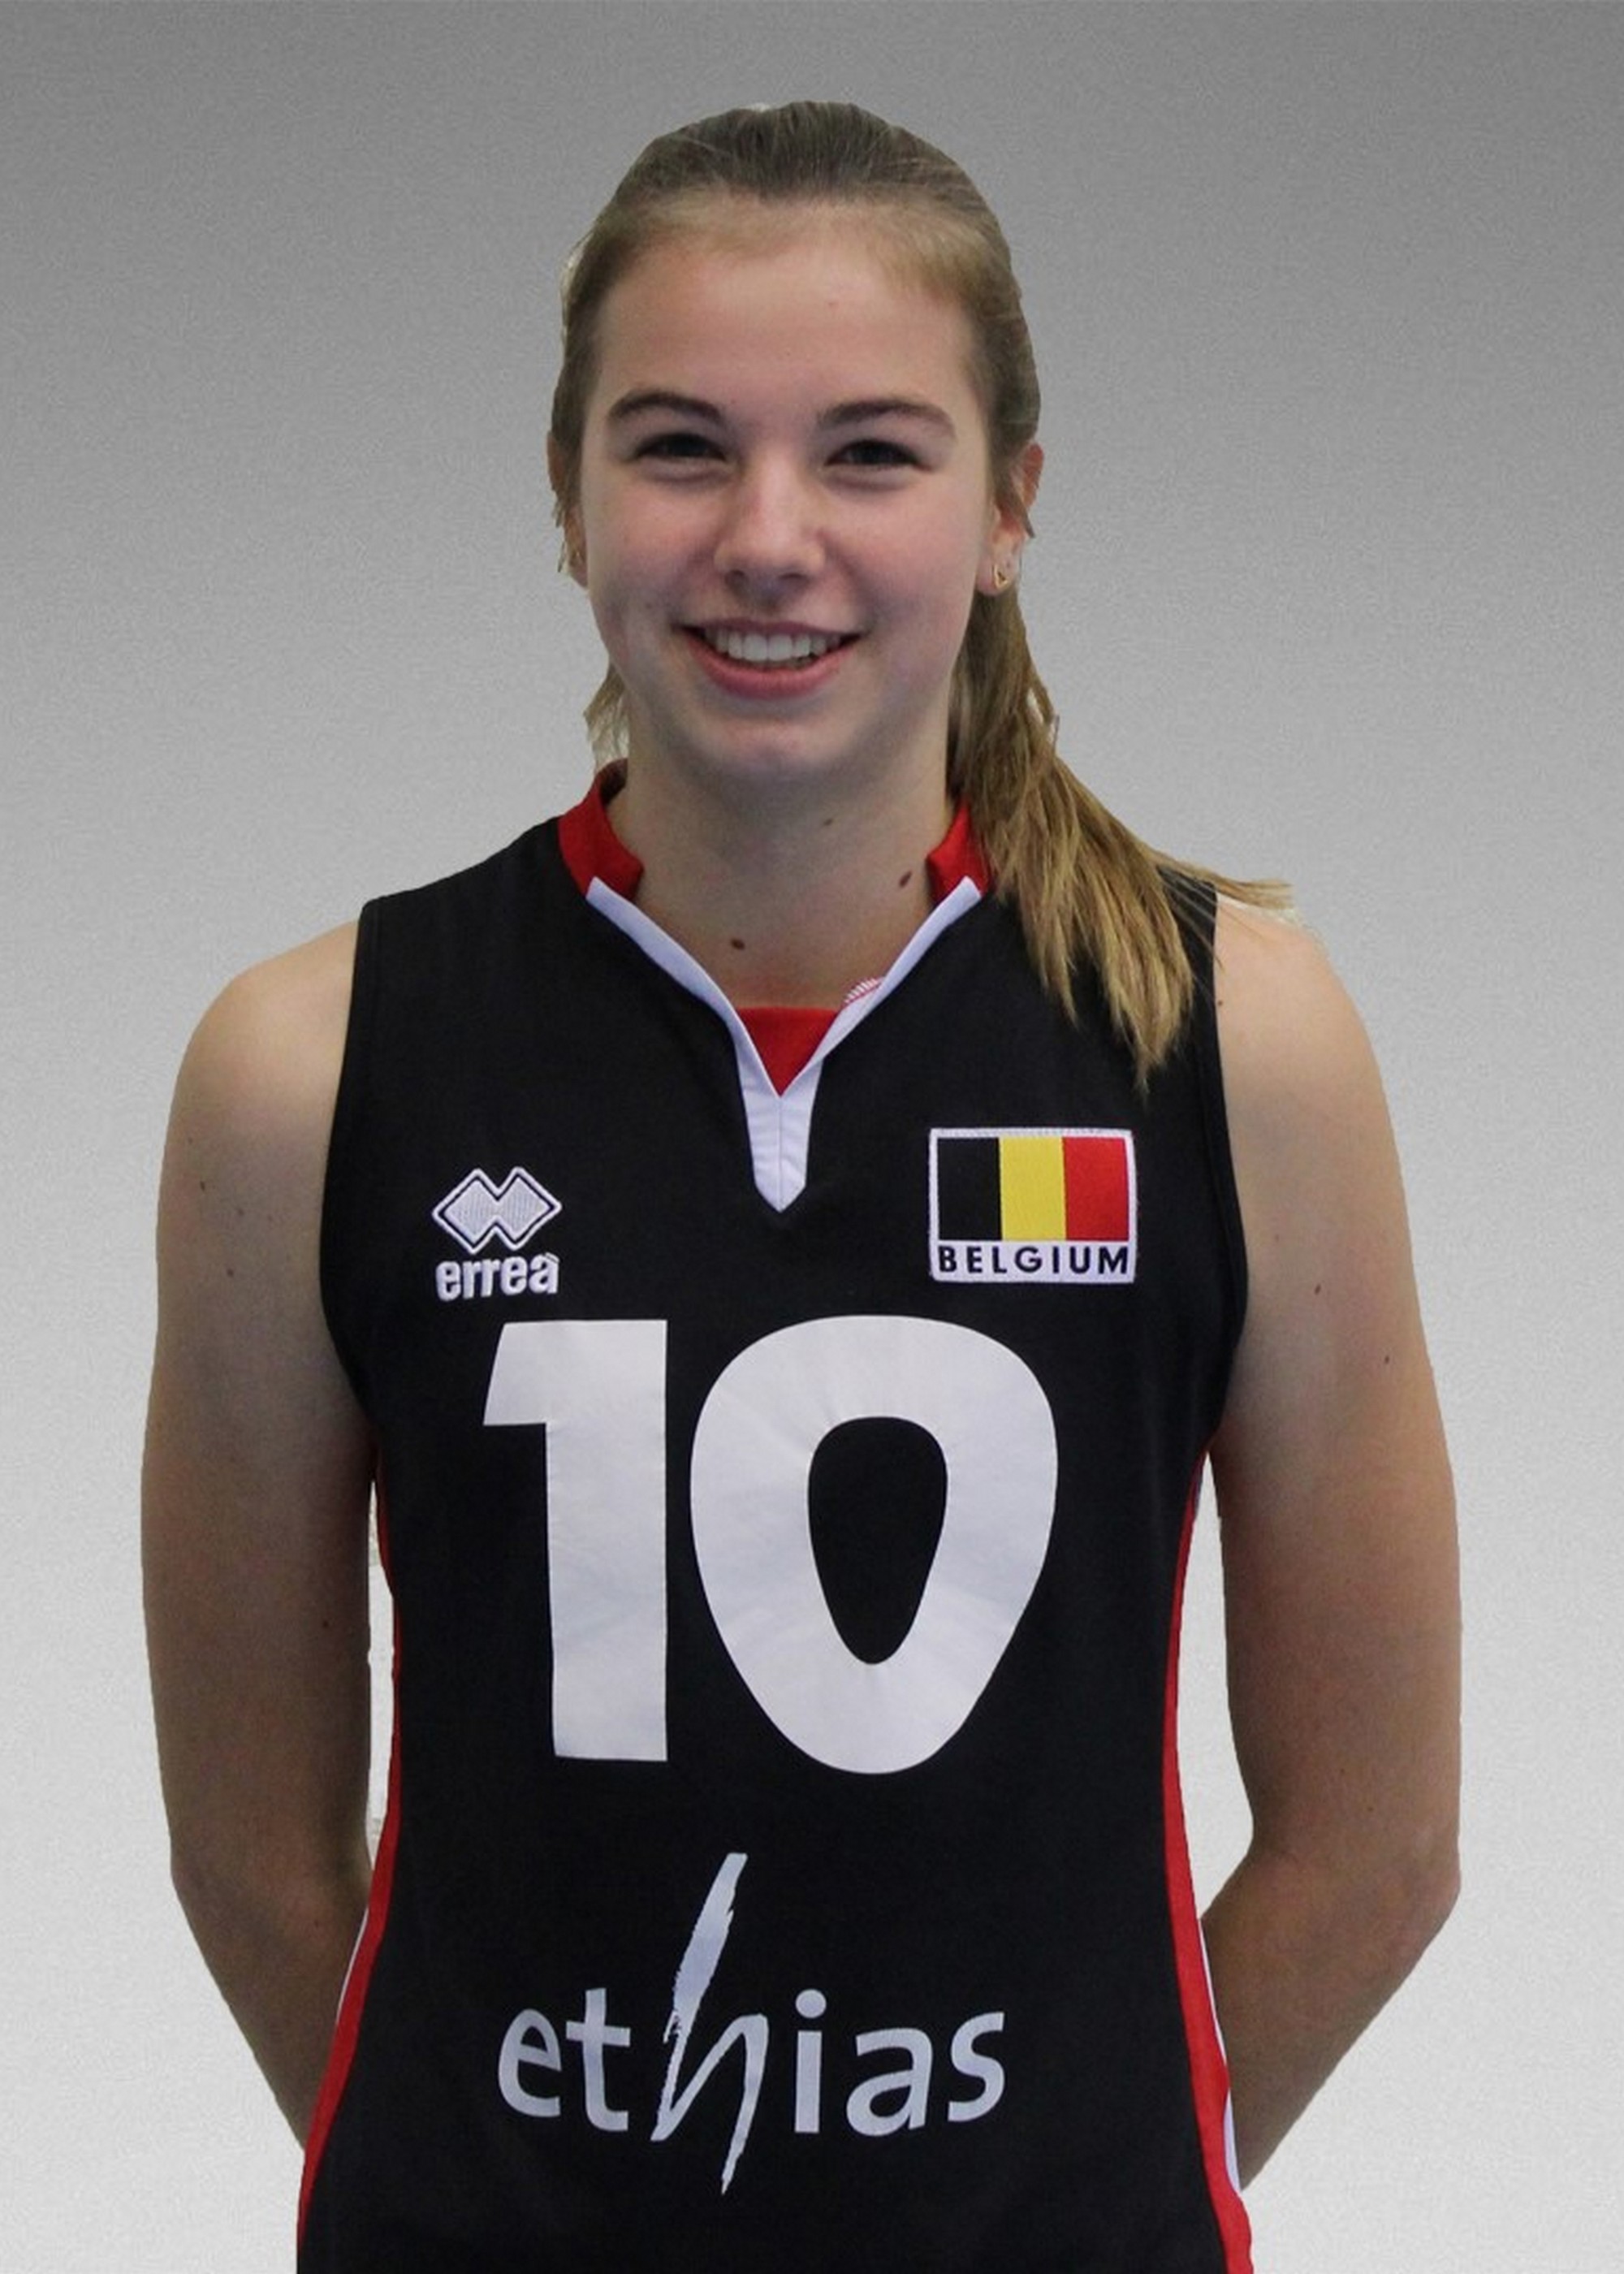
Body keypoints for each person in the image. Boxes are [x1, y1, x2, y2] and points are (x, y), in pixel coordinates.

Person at [142, 101, 1460, 2271]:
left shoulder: (1235, 1046)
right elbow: (255, 1865)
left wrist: (1067, 2193)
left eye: (871, 453)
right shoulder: (312, 1070)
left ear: (1009, 505)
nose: (770, 537)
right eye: (680, 447)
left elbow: (1380, 1849)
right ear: (565, 493)